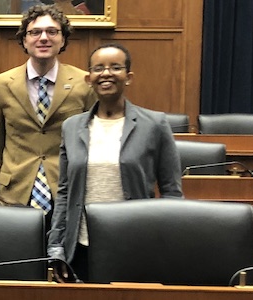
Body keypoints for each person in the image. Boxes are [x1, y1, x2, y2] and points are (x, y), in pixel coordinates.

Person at [46, 43, 184, 280]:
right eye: (98, 68)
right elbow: (65, 192)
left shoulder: (155, 124)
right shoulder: (71, 126)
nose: (106, 73)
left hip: (135, 243)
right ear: (89, 78)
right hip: (81, 245)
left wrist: (166, 244)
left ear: (128, 77)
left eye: (115, 67)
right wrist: (56, 245)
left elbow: (171, 193)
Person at [0, 5, 95, 216]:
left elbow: (90, 141)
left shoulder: (84, 83)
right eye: (35, 32)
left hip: (67, 189)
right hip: (15, 189)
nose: (43, 38)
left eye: (52, 31)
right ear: (24, 40)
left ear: (63, 39)